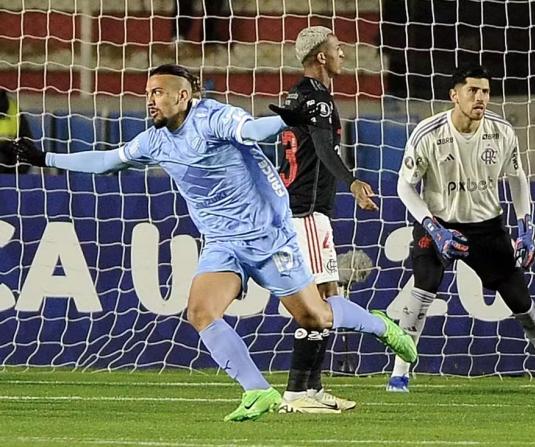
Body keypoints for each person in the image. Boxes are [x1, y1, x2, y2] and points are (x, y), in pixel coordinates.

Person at [4, 64, 417, 422]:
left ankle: (381, 324)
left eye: (158, 93)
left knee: (317, 318)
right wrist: (44, 159)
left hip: (268, 237)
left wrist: (284, 120)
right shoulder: (155, 139)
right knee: (200, 311)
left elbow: (250, 129)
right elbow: (109, 160)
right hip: (222, 242)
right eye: (148, 93)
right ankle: (257, 391)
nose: (150, 100)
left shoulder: (214, 118)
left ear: (183, 96)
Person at [389, 65, 535, 397]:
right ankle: (400, 373)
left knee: (521, 302)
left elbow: (517, 178)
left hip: (487, 227)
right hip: (439, 224)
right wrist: (432, 228)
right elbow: (404, 187)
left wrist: (525, 227)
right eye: (473, 91)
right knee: (423, 287)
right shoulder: (428, 133)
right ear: (455, 95)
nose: (480, 97)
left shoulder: (501, 131)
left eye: (485, 91)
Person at [275, 26, 379, 414]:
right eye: (337, 49)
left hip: (305, 211)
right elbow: (321, 147)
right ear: (321, 56)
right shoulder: (316, 99)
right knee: (322, 303)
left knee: (327, 299)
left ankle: (312, 388)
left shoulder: (298, 95)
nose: (343, 54)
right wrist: (351, 181)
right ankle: (297, 392)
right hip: (306, 214)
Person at [0, 89, 34, 174]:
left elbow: (26, 137)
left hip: (10, 152)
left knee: (23, 157)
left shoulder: (13, 108)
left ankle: (14, 185)